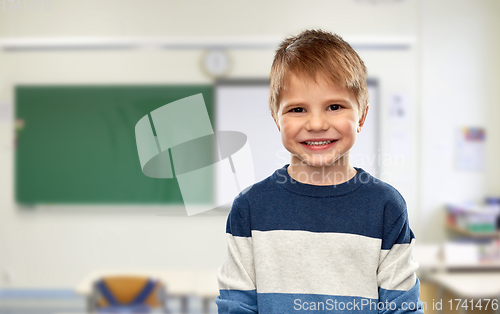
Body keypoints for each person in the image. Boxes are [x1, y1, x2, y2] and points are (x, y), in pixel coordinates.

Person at [215, 29, 424, 313]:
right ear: (276, 117)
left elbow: (401, 307)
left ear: (361, 115)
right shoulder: (250, 207)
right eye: (298, 109)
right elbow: (237, 305)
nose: (316, 124)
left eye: (334, 106)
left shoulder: (386, 206)